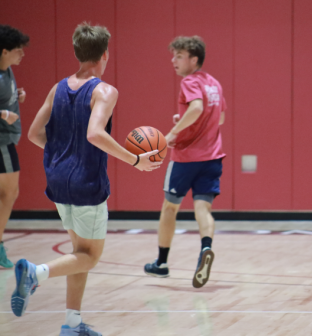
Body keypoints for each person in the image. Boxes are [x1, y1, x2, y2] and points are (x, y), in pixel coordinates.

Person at [16, 23, 160, 336]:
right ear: (105, 54)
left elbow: (32, 134)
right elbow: (95, 133)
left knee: (78, 253)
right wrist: (135, 160)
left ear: (78, 52)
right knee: (91, 257)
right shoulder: (104, 90)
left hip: (56, 179)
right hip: (86, 183)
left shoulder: (58, 87)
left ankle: (72, 324)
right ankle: (35, 273)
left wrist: (62, 154)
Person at [144, 36, 227, 289]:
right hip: (213, 157)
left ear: (194, 59)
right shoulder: (214, 83)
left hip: (186, 159)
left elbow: (196, 109)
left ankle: (161, 263)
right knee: (203, 209)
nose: (174, 60)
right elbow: (219, 118)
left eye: (179, 56)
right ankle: (206, 249)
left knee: (170, 208)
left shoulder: (189, 82)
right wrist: (185, 118)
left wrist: (173, 132)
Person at [0, 25, 28, 268]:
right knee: (9, 193)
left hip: (7, 140)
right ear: (4, 51)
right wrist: (3, 113)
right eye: (18, 50)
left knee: (8, 194)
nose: (22, 54)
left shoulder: (7, 70)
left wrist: (14, 96)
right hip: (2, 142)